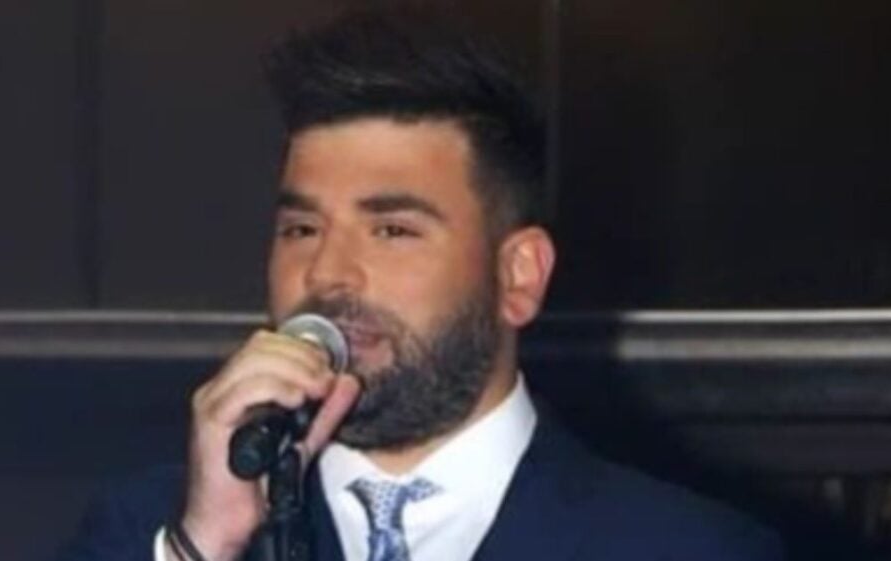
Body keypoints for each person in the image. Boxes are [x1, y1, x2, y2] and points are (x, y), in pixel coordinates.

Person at [58, 9, 784, 561]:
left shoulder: (688, 548)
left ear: (518, 276)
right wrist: (207, 544)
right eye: (302, 228)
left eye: (392, 229)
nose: (327, 273)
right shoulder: (150, 532)